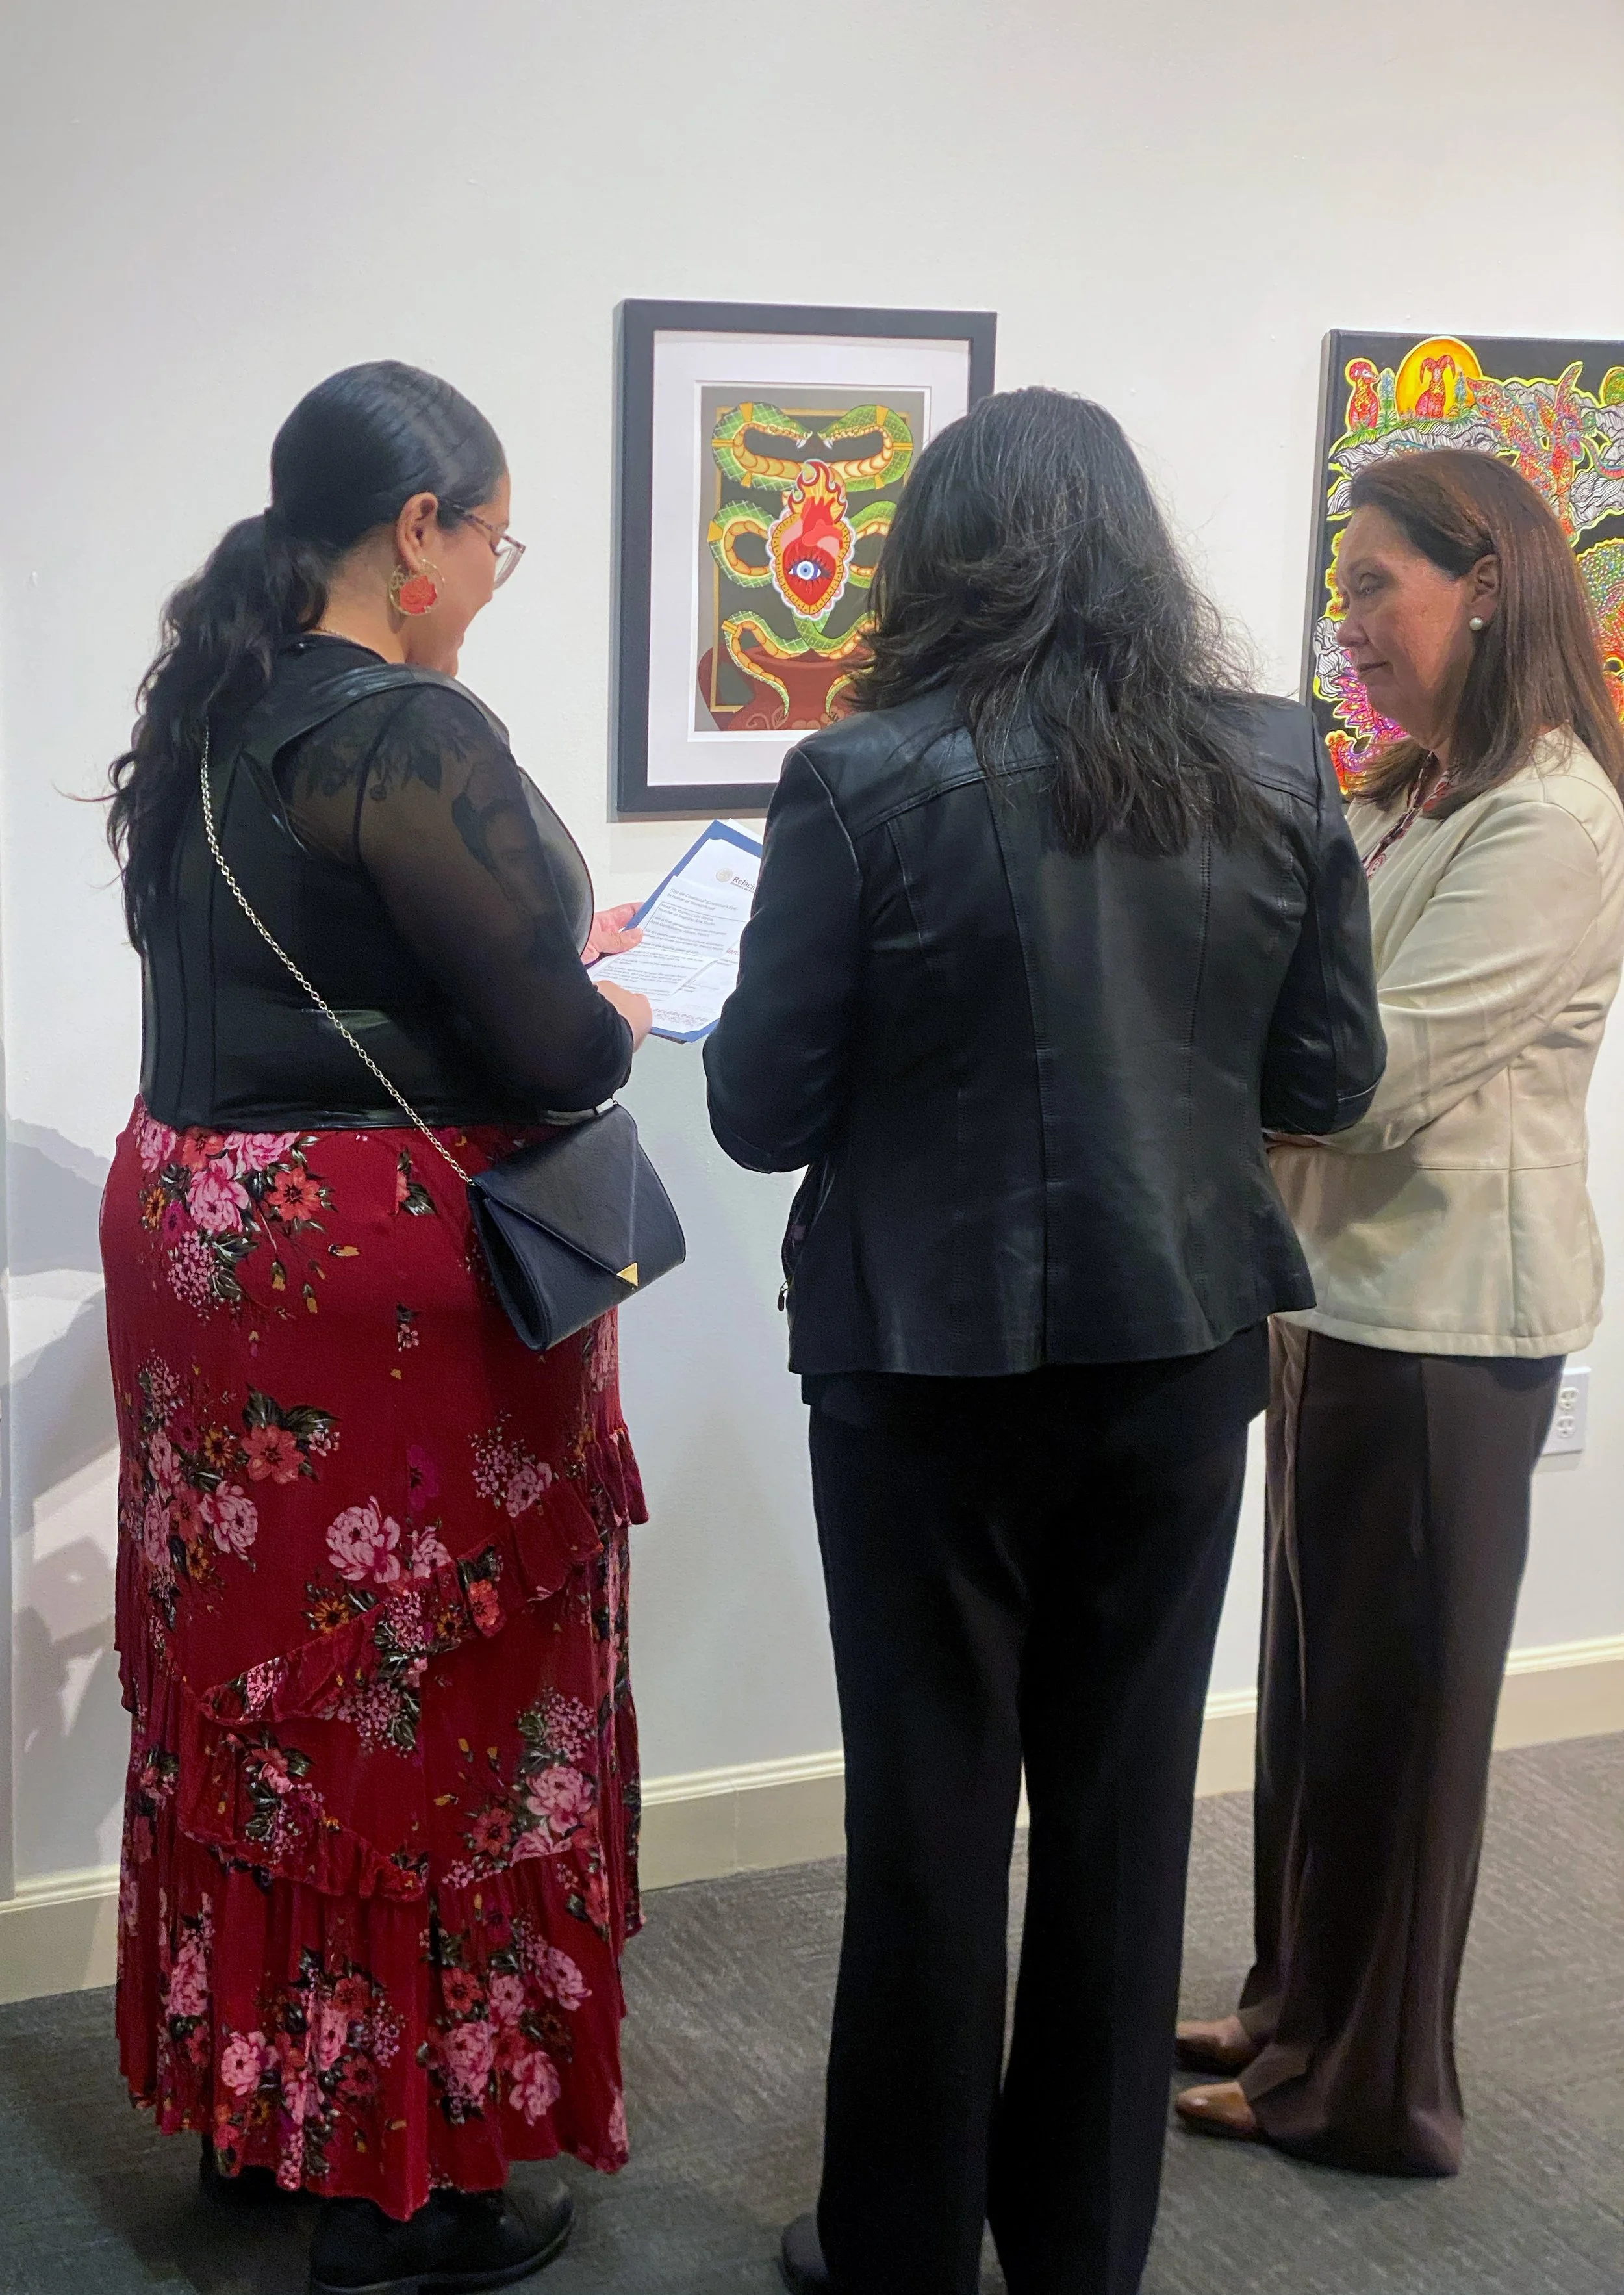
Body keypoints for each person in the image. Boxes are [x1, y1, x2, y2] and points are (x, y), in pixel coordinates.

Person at [703, 387, 1386, 2295]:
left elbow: (763, 1107)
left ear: (932, 563)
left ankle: (896, 2244)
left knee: (926, 1821)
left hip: (920, 1371)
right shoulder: (1271, 761)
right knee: (1121, 1813)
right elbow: (1326, 1069)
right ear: (1133, 556)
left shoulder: (857, 777)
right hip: (1176, 1357)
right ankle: (1080, 2249)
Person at [101, 361, 654, 2295]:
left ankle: (274, 2106)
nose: (497, 572)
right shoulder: (412, 728)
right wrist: (618, 991)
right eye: (495, 535)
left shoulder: (208, 708)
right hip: (370, 1279)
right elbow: (553, 1044)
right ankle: (400, 2186)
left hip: (196, 1224)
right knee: (423, 1694)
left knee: (252, 1678)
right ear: (415, 531)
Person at [1173, 449, 1624, 2173]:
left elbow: (1367, 1076)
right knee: (1318, 1696)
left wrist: (1190, 1063)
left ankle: (1376, 2090)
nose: (1347, 624)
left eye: (1379, 587)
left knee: (1404, 1723)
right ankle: (1296, 2005)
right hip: (1338, 1296)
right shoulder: (1410, 795)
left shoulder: (1553, 819)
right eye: (1344, 587)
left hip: (1445, 1327)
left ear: (1488, 584)